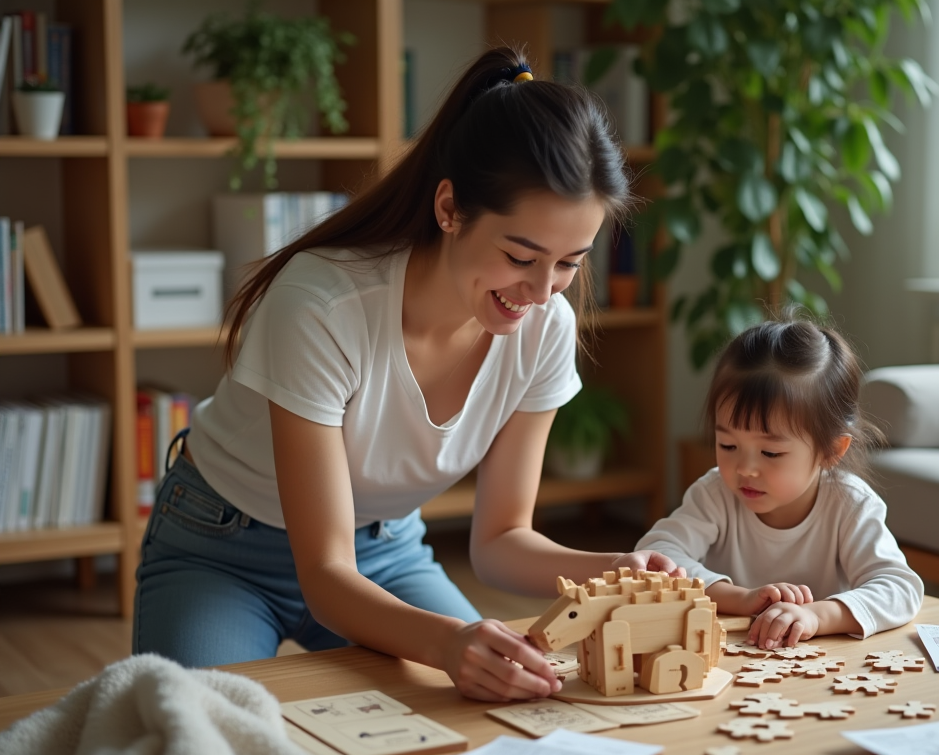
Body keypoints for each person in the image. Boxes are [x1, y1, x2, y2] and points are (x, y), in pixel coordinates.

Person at [133, 46, 679, 702]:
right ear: (449, 208)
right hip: (222, 547)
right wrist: (448, 642)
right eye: (520, 255)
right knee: (201, 737)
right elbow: (326, 573)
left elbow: (502, 540)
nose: (541, 291)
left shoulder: (546, 327)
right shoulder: (325, 303)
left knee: (490, 711)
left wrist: (613, 569)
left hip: (383, 551)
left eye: (568, 263)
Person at [636, 315, 923, 650]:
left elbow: (900, 588)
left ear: (831, 451)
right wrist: (739, 599)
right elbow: (653, 557)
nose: (745, 468)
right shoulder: (715, 493)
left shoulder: (850, 504)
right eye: (728, 445)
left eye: (770, 453)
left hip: (820, 665)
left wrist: (818, 615)